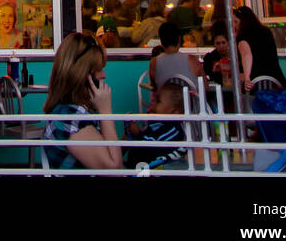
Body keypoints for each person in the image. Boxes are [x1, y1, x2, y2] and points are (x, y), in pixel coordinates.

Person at [42, 32, 122, 170]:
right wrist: (106, 112)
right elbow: (114, 170)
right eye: (98, 70)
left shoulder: (73, 111)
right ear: (82, 76)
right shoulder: (72, 118)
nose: (104, 75)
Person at [126, 82, 187, 168]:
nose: (153, 105)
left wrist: (137, 133)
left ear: (174, 112)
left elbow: (150, 146)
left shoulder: (173, 130)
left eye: (158, 101)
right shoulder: (157, 124)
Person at [233, 6, 286, 91]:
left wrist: (247, 78)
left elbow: (246, 55)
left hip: (255, 85)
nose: (234, 25)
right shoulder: (266, 31)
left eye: (235, 22)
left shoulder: (242, 36)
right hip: (277, 82)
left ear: (243, 22)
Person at [148, 23, 203, 99]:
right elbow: (205, 87)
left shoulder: (154, 62)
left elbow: (154, 87)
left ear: (161, 41)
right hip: (192, 109)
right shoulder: (192, 60)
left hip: (167, 109)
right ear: (179, 39)